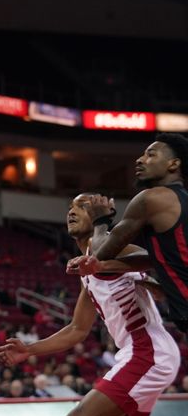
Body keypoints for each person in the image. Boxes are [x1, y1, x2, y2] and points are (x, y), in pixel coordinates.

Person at [0, 193, 180, 416]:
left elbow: (161, 274)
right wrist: (30, 349)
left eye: (80, 206)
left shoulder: (117, 248)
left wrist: (126, 270)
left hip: (148, 351)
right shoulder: (88, 273)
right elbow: (77, 329)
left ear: (99, 213)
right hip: (144, 353)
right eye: (69, 206)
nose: (71, 211)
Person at [69, 133, 188, 332]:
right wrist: (106, 266)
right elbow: (155, 258)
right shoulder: (181, 199)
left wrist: (101, 221)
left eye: (151, 155)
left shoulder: (150, 199)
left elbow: (101, 252)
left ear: (173, 164)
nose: (140, 159)